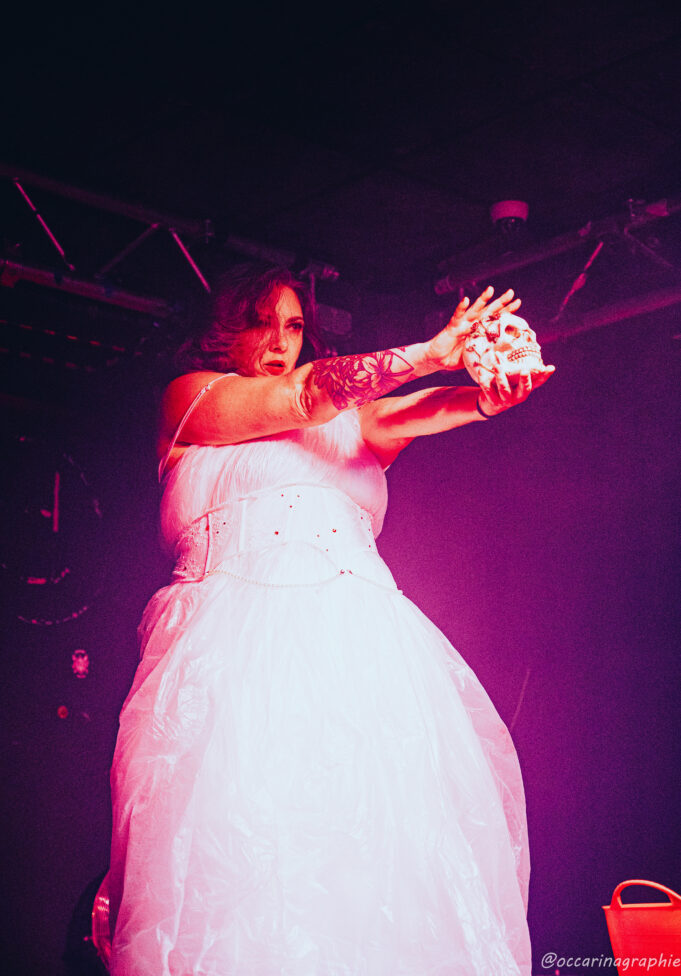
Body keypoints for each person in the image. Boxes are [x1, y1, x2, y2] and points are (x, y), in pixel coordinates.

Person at [108, 264, 554, 976]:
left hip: (361, 655)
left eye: (293, 326)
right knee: (237, 856)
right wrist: (429, 352)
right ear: (224, 332)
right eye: (261, 323)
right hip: (233, 657)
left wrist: (487, 397)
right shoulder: (192, 400)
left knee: (376, 863)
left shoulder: (349, 423)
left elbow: (412, 412)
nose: (280, 341)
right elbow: (302, 395)